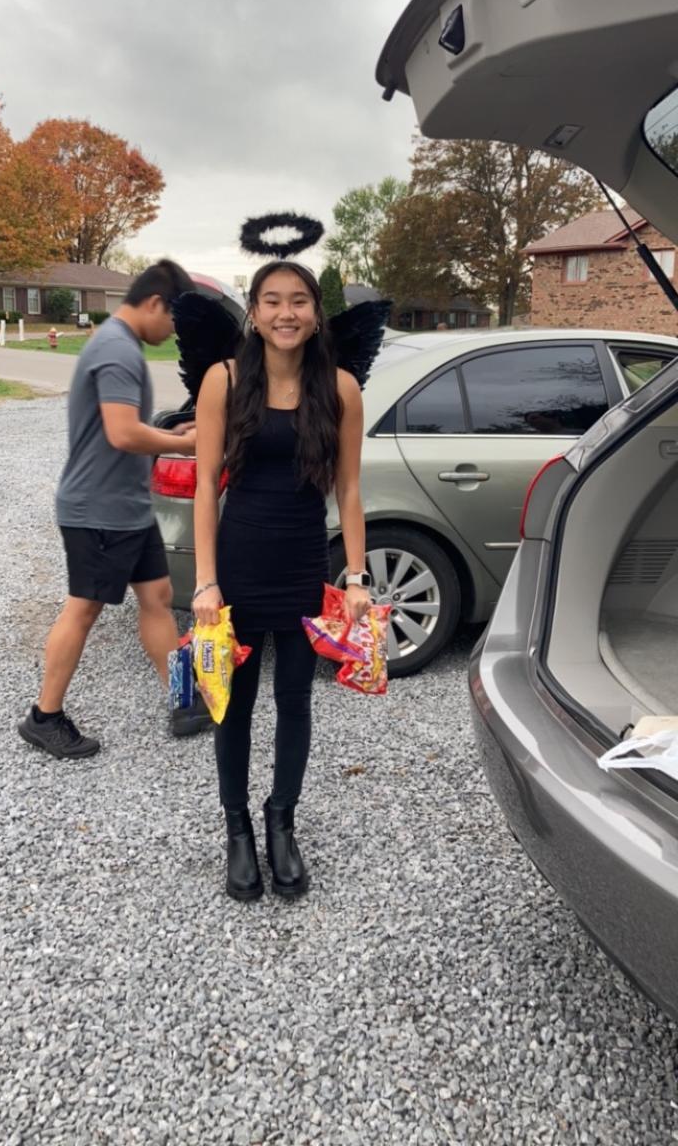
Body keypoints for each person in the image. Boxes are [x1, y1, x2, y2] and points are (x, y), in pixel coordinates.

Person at [192, 260, 372, 902]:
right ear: (254, 312)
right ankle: (237, 830)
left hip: (302, 566)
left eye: (299, 301)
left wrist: (356, 576)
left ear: (316, 314)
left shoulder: (341, 388)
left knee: (295, 702)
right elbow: (205, 486)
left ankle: (281, 822)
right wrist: (205, 582)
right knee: (233, 705)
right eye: (272, 300)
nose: (285, 313)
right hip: (239, 567)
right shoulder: (224, 379)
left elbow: (349, 490)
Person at [19, 259, 210, 760]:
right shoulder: (117, 350)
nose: (174, 333)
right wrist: (185, 444)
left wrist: (171, 432)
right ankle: (44, 717)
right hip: (99, 509)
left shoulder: (118, 345)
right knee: (84, 608)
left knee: (158, 596)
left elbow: (124, 427)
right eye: (174, 321)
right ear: (155, 304)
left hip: (128, 508)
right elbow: (122, 433)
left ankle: (183, 700)